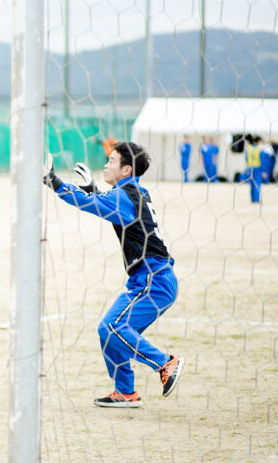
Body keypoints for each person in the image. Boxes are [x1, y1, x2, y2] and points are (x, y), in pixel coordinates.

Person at [43, 142, 184, 408]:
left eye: (112, 160)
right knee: (108, 330)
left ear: (127, 169)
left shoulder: (126, 195)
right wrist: (94, 190)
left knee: (114, 327)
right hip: (149, 280)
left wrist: (54, 182)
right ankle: (126, 392)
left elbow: (89, 205)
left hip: (154, 281)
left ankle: (165, 363)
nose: (106, 165)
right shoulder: (132, 193)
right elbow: (109, 208)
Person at [246, 136, 263, 203]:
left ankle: (252, 199)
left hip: (250, 167)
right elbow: (262, 159)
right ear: (258, 141)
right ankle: (256, 199)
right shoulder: (259, 149)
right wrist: (264, 170)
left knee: (252, 184)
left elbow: (246, 158)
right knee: (257, 184)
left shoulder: (249, 148)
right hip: (257, 168)